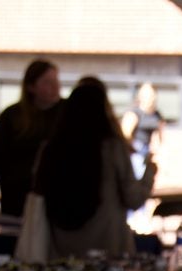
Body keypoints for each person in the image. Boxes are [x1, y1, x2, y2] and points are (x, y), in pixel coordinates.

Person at [31, 77, 154, 257]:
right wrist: (149, 172)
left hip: (59, 253)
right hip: (108, 252)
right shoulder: (112, 148)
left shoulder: (51, 149)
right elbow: (134, 199)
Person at [0, 59, 59, 219]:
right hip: (16, 203)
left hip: (57, 203)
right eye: (47, 82)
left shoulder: (67, 114)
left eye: (56, 81)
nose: (55, 87)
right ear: (31, 87)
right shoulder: (11, 117)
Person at [121, 82, 164, 177]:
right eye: (147, 95)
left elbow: (160, 134)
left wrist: (156, 149)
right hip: (135, 149)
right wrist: (133, 150)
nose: (151, 98)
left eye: (152, 95)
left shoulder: (157, 115)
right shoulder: (134, 113)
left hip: (147, 149)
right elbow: (125, 134)